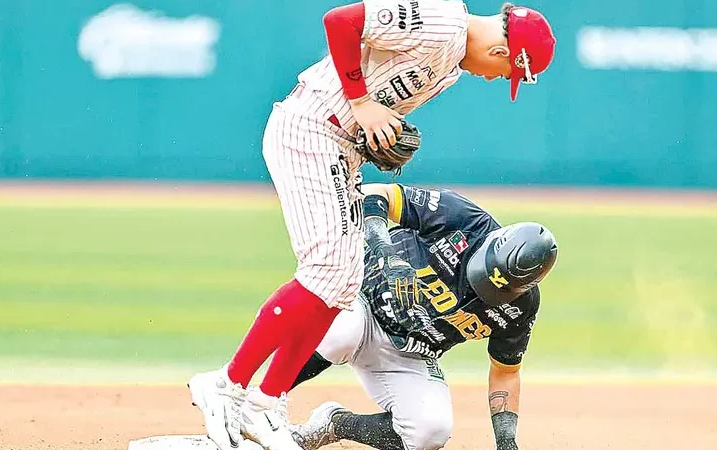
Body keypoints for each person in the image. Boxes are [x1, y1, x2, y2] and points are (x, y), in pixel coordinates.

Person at [187, 2, 557, 450]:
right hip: (311, 131)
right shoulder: (443, 21)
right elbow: (341, 21)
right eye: (505, 74)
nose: (495, 79)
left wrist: (378, 132)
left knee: (341, 283)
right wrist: (361, 103)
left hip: (341, 147)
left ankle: (266, 402)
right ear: (504, 51)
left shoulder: (450, 68)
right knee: (326, 272)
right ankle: (228, 385)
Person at [285, 182, 558, 450]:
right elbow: (374, 194)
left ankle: (332, 424)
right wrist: (388, 256)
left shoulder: (521, 307)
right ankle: (261, 402)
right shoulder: (463, 218)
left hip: (411, 352)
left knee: (430, 432)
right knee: (340, 335)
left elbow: (505, 373)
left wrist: (506, 442)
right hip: (361, 302)